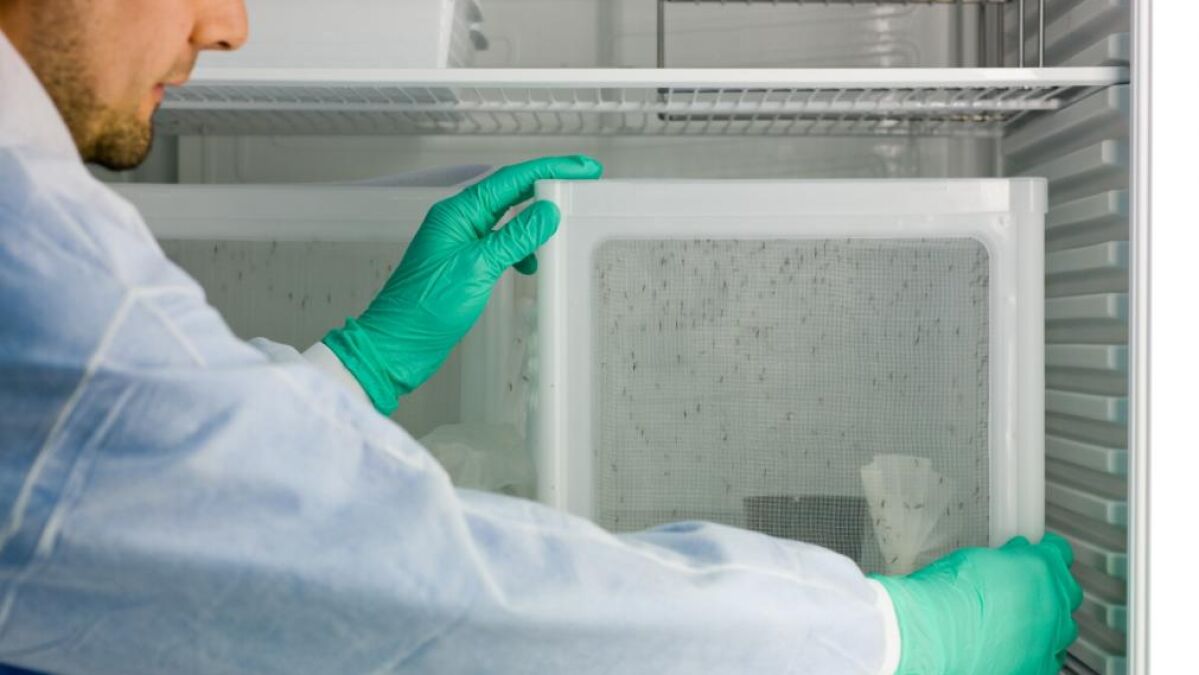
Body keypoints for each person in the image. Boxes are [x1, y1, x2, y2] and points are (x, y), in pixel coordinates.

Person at [0, 1, 1081, 673]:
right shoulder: (36, 252)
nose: (230, 24)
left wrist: (355, 368)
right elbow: (422, 594)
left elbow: (138, 501)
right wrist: (887, 636)